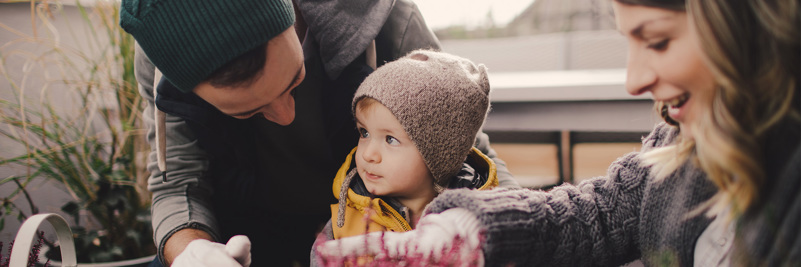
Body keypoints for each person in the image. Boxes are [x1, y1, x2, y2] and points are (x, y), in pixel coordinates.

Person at [317, 0, 800, 265]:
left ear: (748, 21)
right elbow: (600, 214)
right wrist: (475, 226)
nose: (633, 80)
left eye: (657, 40)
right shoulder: (678, 146)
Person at [119, 0, 521, 266]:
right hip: (243, 235)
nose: (286, 115)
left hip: (380, 222)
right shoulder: (162, 64)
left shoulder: (387, 18)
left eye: (295, 79)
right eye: (251, 112)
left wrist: (528, 226)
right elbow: (178, 185)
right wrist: (194, 252)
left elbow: (467, 151)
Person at [315, 50, 499, 248]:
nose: (368, 155)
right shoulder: (343, 226)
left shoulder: (477, 223)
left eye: (391, 139)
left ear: (438, 154)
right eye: (364, 133)